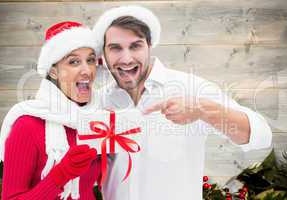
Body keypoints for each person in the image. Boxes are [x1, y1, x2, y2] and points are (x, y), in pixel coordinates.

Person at [92, 5, 272, 200]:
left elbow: (261, 135)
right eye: (115, 48)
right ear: (104, 54)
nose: (126, 58)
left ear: (149, 46)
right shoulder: (98, 102)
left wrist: (202, 109)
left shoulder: (190, 88)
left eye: (135, 46)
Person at [0, 21, 102, 200]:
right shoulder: (28, 126)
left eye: (90, 60)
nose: (87, 70)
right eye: (74, 61)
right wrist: (59, 176)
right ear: (53, 71)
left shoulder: (98, 120)